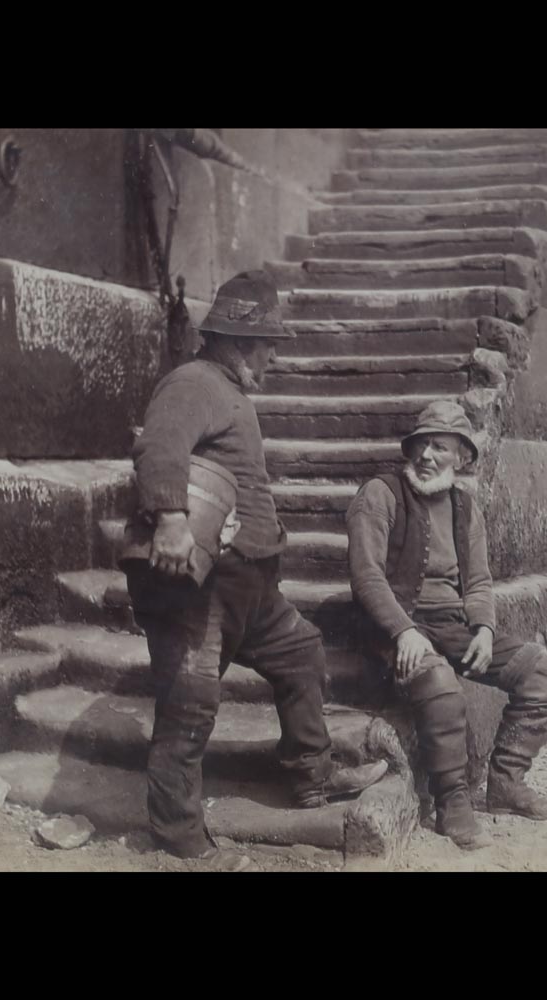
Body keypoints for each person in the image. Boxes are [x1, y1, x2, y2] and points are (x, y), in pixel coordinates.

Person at [120, 271, 389, 872]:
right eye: (269, 349)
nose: (271, 362)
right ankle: (180, 838)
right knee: (190, 703)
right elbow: (159, 446)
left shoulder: (227, 389)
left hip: (251, 586)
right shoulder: (192, 384)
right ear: (241, 342)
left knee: (301, 654)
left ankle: (310, 778)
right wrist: (169, 518)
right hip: (201, 589)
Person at [344, 401, 547, 850]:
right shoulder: (379, 494)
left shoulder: (465, 507)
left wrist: (485, 628)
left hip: (452, 626)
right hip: (394, 627)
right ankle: (453, 804)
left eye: (440, 447)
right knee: (441, 684)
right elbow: (366, 577)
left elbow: (480, 580)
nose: (427, 455)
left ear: (462, 458)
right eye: (421, 444)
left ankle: (506, 784)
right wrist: (403, 630)